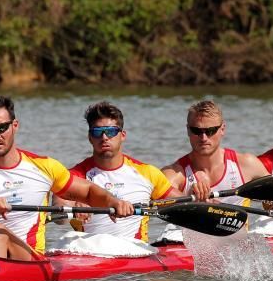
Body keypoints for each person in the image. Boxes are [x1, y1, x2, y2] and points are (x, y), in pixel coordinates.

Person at [0, 96, 134, 260]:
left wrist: (114, 202)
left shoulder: (43, 167)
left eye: (2, 127)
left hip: (31, 258)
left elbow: (87, 190)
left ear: (15, 126)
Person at [161, 100, 273, 229]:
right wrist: (190, 198)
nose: (204, 137)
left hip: (235, 245)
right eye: (197, 131)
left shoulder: (246, 164)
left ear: (222, 129)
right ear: (188, 130)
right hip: (185, 244)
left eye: (211, 130)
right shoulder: (175, 173)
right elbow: (159, 197)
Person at [54, 101, 185, 242]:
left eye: (111, 131)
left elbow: (185, 206)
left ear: (122, 135)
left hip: (135, 254)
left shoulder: (147, 173)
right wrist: (74, 209)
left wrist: (202, 198)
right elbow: (57, 215)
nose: (104, 137)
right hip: (90, 254)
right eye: (97, 132)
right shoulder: (74, 176)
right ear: (90, 137)